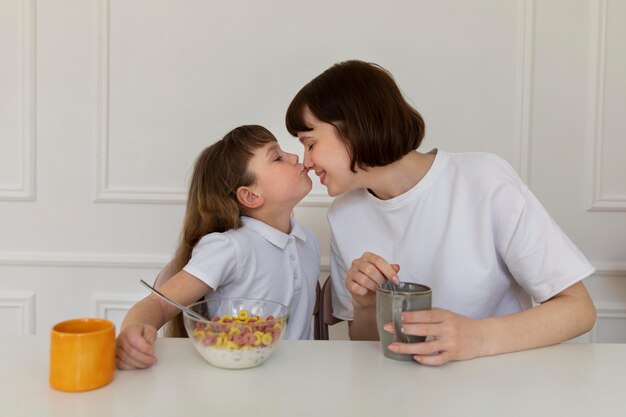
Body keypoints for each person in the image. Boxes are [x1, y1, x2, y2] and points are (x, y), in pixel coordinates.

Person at [285, 60, 596, 365]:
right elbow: (367, 343)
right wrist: (365, 306)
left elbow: (579, 309)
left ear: (352, 127)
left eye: (310, 143)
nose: (307, 162)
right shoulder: (343, 215)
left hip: (502, 392)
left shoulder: (484, 180)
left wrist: (478, 337)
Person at [115, 125, 320, 370]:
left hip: (301, 381)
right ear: (250, 196)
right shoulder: (229, 247)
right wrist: (132, 334)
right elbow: (157, 305)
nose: (295, 157)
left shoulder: (308, 241)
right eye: (277, 157)